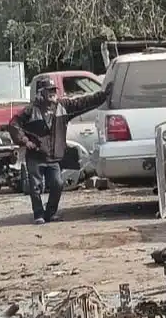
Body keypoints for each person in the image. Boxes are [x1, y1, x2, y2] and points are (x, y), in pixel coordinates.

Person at [7, 78, 111, 224]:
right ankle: (38, 215)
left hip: (53, 157)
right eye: (49, 91)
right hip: (36, 156)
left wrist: (103, 95)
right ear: (40, 93)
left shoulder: (63, 107)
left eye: (53, 90)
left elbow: (83, 102)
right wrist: (25, 141)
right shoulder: (30, 111)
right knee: (35, 187)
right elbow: (13, 125)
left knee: (57, 183)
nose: (53, 93)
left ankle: (50, 213)